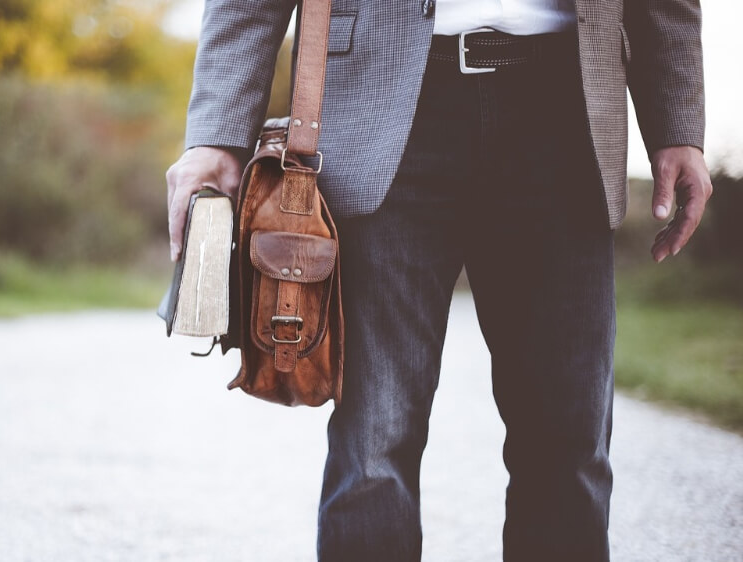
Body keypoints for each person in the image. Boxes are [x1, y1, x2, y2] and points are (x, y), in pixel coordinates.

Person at [165, 0, 711, 560]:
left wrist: (677, 124)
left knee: (568, 444)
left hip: (567, 109)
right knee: (374, 445)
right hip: (383, 105)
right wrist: (217, 134)